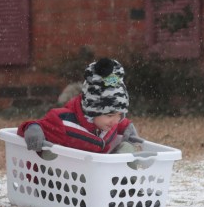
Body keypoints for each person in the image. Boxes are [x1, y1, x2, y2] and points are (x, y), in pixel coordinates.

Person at [17, 58, 145, 158]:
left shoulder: (110, 123)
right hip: (66, 176)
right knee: (54, 154)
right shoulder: (65, 122)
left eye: (120, 114)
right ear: (91, 111)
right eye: (110, 115)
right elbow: (40, 125)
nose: (115, 121)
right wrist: (33, 128)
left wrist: (128, 127)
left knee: (127, 149)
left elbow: (120, 123)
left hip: (96, 173)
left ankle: (122, 185)